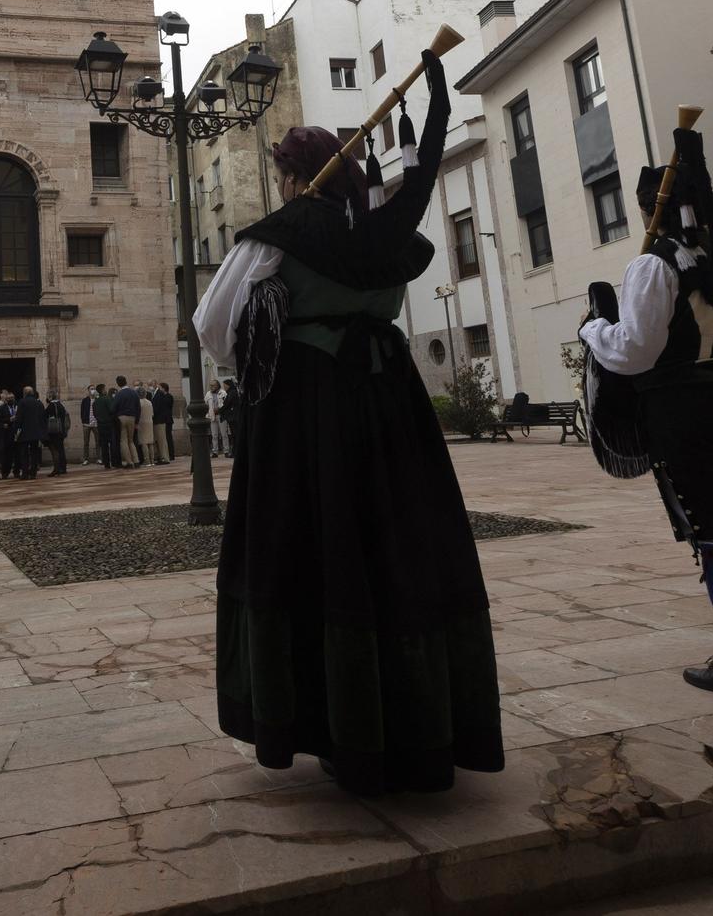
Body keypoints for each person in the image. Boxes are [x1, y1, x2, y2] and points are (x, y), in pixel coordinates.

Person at [194, 55, 503, 798]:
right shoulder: (384, 232)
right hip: (391, 411)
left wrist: (274, 333)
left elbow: (213, 327)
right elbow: (413, 202)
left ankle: (336, 727)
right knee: (395, 552)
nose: (282, 187)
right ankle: (412, 721)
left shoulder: (278, 235)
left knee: (317, 551)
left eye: (284, 174)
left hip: (307, 415)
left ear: (299, 177)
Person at [581, 128, 713, 702]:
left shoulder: (654, 265)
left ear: (650, 208)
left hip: (683, 410)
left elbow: (635, 350)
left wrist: (593, 329)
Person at [14, 386, 44, 479]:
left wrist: (16, 429)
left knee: (24, 453)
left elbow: (19, 417)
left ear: (25, 393)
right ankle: (33, 473)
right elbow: (42, 417)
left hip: (25, 431)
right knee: (34, 452)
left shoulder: (22, 402)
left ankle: (25, 473)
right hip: (35, 431)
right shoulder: (38, 402)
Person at [113, 376, 142, 467]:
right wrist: (137, 421)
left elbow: (114, 408)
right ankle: (136, 460)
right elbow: (138, 408)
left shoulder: (119, 394)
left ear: (118, 383)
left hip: (122, 417)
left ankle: (129, 462)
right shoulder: (134, 393)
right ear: (126, 381)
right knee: (131, 440)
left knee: (123, 441)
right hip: (132, 418)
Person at [44, 391, 70, 476]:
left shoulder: (51, 406)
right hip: (61, 430)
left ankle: (57, 468)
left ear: (50, 397)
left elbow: (45, 416)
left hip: (54, 431)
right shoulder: (61, 405)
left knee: (55, 450)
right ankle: (63, 467)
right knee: (61, 449)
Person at [150, 382, 175, 465]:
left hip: (160, 420)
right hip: (159, 420)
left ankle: (165, 458)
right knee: (160, 440)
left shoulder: (159, 394)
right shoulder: (157, 394)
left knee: (162, 440)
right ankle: (162, 457)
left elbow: (157, 408)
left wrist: (152, 413)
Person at [93, 383, 117, 468]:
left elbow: (95, 414)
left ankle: (106, 463)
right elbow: (111, 410)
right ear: (103, 390)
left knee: (104, 445)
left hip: (100, 425)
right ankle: (114, 462)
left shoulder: (96, 401)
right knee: (112, 444)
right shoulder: (106, 399)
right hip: (109, 424)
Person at [79, 386, 98, 465]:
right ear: (88, 390)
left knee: (98, 441)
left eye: (94, 389)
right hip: (87, 424)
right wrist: (83, 421)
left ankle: (99, 458)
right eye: (91, 389)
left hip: (96, 423)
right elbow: (82, 411)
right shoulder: (85, 400)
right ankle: (86, 458)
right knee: (86, 442)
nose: (93, 390)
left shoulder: (97, 400)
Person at [209, 380, 229, 456]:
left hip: (221, 415)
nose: (211, 387)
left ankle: (226, 451)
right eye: (210, 385)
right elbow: (206, 404)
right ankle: (215, 452)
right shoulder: (208, 394)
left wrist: (219, 408)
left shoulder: (223, 393)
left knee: (224, 434)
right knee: (214, 435)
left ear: (217, 386)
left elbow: (226, 404)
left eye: (213, 385)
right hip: (212, 416)